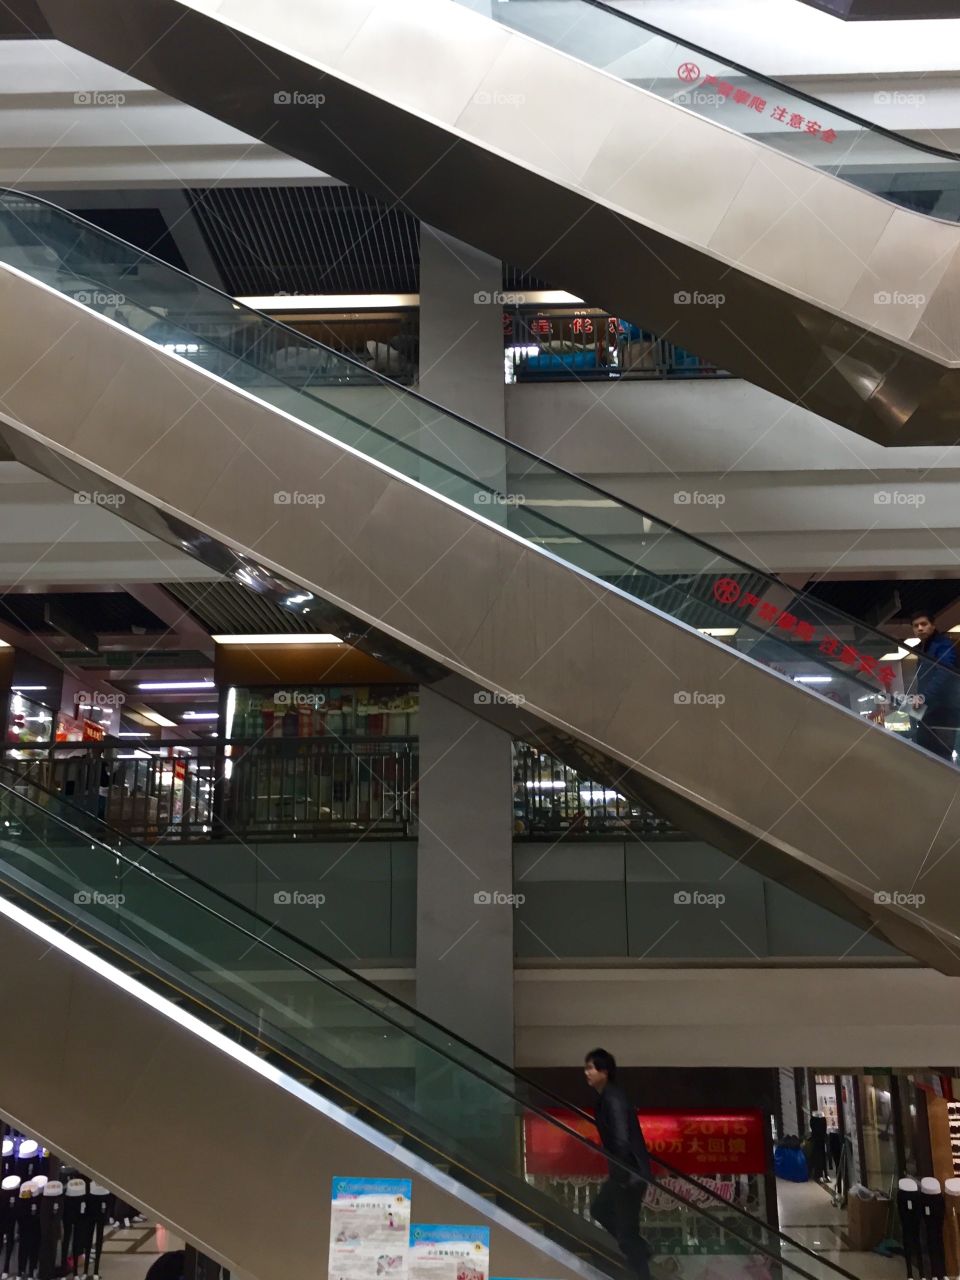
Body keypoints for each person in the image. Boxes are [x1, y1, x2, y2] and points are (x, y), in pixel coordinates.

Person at [584, 1048, 652, 1280]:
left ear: (604, 1071)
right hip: (624, 1171)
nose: (587, 1073)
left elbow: (621, 1139)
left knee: (627, 1233)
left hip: (628, 1173)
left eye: (591, 1068)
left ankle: (641, 1271)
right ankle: (641, 1250)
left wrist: (622, 1171)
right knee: (600, 1210)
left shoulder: (612, 1098)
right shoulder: (607, 1097)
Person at [909, 611, 960, 761]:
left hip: (945, 708)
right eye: (916, 626)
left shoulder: (942, 644)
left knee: (940, 755)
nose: (920, 628)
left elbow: (944, 672)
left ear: (932, 625)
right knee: (926, 752)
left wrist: (923, 696)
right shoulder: (923, 647)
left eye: (924, 624)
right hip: (930, 708)